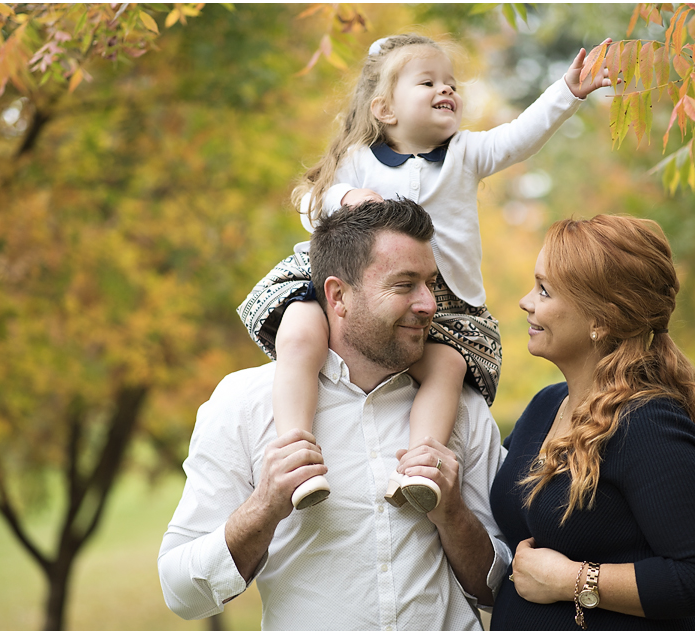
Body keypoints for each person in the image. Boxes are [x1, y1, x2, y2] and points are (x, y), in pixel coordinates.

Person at [238, 33, 614, 512]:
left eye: (452, 83)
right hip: (348, 285)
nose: (447, 90)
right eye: (429, 82)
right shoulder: (355, 162)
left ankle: (420, 468)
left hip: (447, 301)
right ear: (385, 110)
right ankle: (295, 453)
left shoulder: (466, 153)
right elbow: (310, 201)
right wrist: (346, 199)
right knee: (299, 334)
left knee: (447, 370)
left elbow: (520, 135)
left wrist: (567, 91)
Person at [159, 199, 512, 630]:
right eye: (404, 285)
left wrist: (452, 513)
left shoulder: (463, 407)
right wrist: (265, 506)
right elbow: (181, 592)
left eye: (430, 284)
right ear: (338, 295)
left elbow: (506, 590)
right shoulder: (243, 403)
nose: (428, 304)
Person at [488, 215, 695, 630]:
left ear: (601, 319)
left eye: (544, 290)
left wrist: (569, 581)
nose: (526, 301)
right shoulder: (543, 407)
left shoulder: (645, 424)